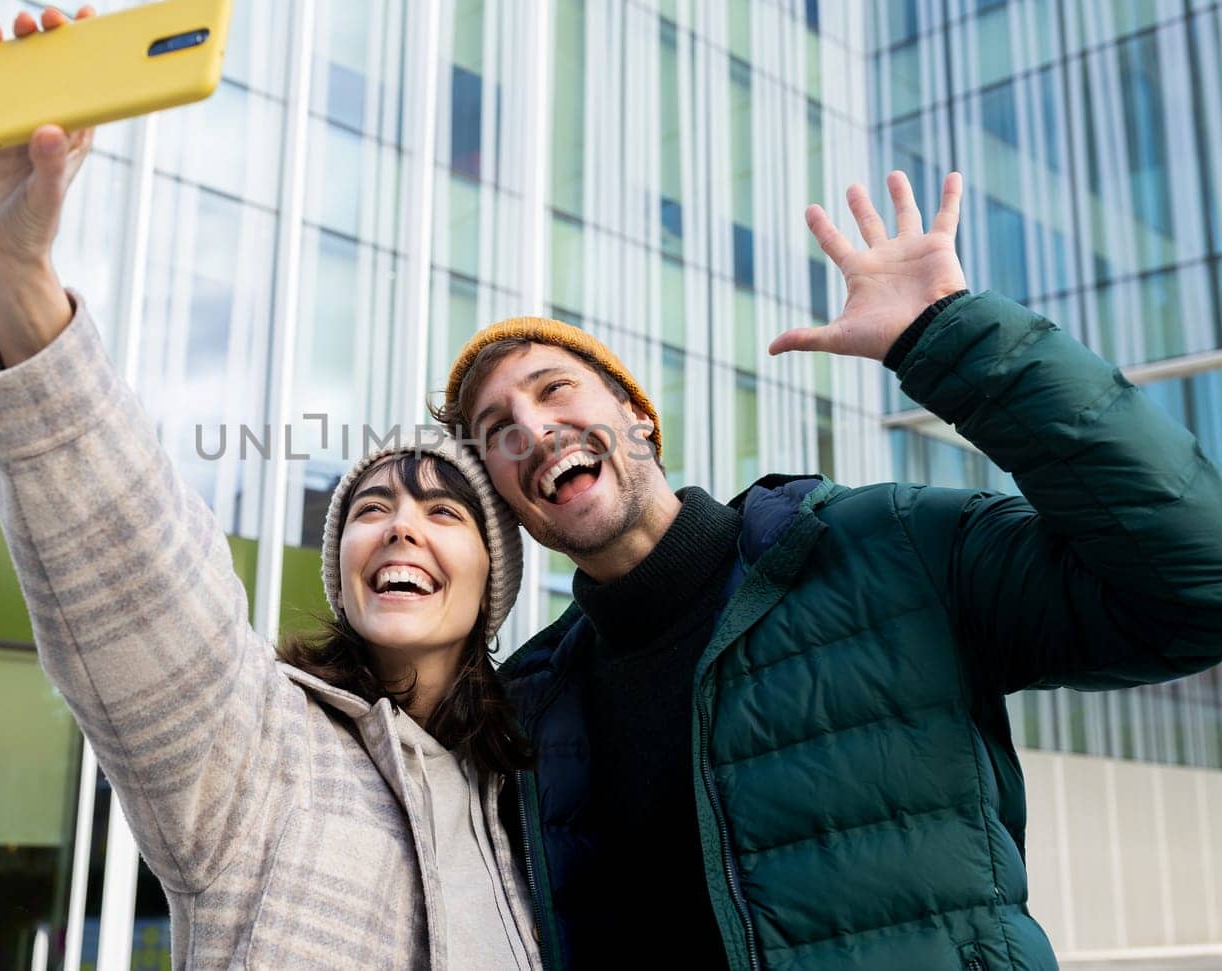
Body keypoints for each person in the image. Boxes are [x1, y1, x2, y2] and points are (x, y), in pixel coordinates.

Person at [433, 171, 1222, 970]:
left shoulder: (887, 544)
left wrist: (951, 337)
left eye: (554, 388)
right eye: (498, 429)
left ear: (637, 414)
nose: (533, 429)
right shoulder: (527, 708)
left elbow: (1196, 587)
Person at [0, 7, 541, 970]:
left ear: (495, 581)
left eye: (443, 511)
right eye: (369, 509)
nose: (400, 529)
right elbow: (137, 565)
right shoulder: (259, 747)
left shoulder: (542, 809)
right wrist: (14, 277)